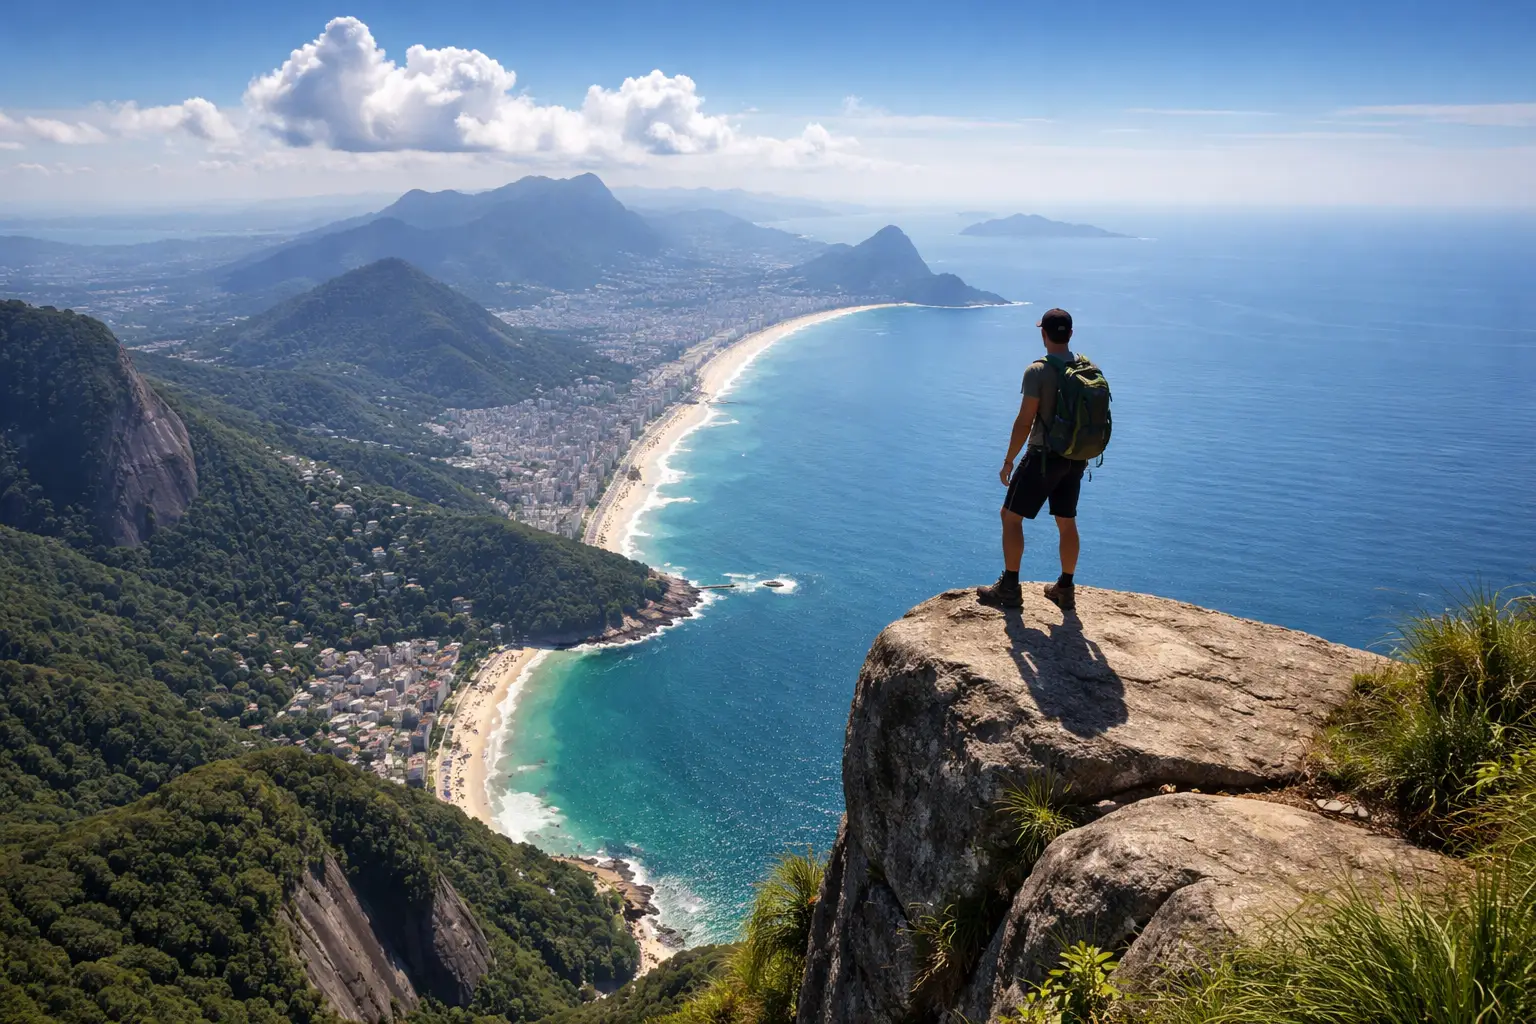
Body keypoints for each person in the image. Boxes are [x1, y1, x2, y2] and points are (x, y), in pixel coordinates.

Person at [977, 308, 1087, 612]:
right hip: (1075, 459)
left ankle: (1009, 588)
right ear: (1071, 335)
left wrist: (1009, 460)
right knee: (1067, 521)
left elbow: (1025, 421)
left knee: (1010, 516)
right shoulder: (1086, 370)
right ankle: (1065, 588)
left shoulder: (1038, 371)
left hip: (1042, 457)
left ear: (1044, 335)